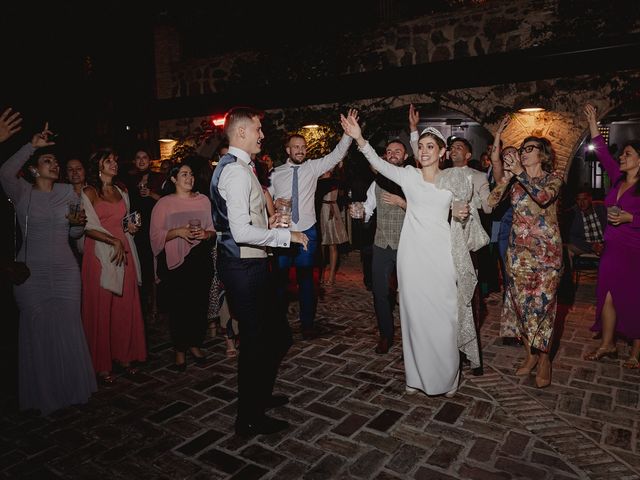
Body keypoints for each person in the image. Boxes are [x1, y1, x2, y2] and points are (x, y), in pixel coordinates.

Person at [341, 112, 482, 397]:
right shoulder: (408, 176)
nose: (425, 151)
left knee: (445, 316)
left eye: (431, 147)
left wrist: (461, 214)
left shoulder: (454, 180)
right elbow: (378, 163)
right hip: (412, 255)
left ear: (442, 152)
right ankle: (416, 377)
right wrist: (358, 138)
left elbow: (466, 217)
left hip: (442, 254)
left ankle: (448, 378)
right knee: (414, 316)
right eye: (421, 146)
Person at [210, 106, 309, 435]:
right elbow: (239, 233)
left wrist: (267, 223)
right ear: (240, 133)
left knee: (277, 335)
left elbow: (242, 223)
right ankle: (248, 418)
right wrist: (285, 236)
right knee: (256, 342)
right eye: (257, 129)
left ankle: (259, 398)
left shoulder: (239, 167)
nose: (262, 135)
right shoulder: (236, 172)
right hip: (243, 265)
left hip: (251, 261)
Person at [0, 123, 96, 414]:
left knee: (68, 329)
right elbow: (4, 171)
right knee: (38, 331)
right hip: (32, 274)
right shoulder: (21, 192)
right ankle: (45, 396)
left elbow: (75, 235)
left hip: (66, 271)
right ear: (33, 170)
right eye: (47, 161)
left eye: (55, 161)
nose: (54, 164)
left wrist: (79, 226)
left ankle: (72, 392)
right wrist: (32, 145)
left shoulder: (69, 192)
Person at [268, 114, 355, 339]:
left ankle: (307, 324)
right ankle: (277, 323)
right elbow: (265, 199)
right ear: (288, 150)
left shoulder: (313, 168)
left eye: (303, 147)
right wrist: (274, 203)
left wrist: (347, 134)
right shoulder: (275, 174)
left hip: (307, 230)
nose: (300, 150)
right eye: (295, 147)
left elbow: (336, 155)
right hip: (284, 232)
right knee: (280, 280)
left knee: (307, 280)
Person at [488, 134, 563, 389]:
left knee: (543, 307)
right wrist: (509, 176)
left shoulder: (554, 178)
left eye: (529, 148)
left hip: (546, 255)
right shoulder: (516, 181)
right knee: (521, 307)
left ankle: (544, 360)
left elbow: (543, 198)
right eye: (522, 149)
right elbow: (490, 203)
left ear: (542, 154)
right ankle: (530, 355)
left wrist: (520, 173)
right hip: (517, 255)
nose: (523, 152)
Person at [81, 148, 146, 385]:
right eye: (108, 161)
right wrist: (114, 240)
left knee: (124, 305)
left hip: (124, 250)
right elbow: (87, 226)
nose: (113, 164)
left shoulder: (120, 190)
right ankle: (101, 363)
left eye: (115, 160)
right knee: (101, 307)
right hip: (100, 252)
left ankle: (124, 356)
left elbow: (125, 221)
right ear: (97, 166)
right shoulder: (89, 192)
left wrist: (131, 228)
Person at [582, 104, 640, 367]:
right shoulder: (617, 180)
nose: (622, 157)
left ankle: (636, 353)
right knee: (606, 295)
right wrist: (594, 121)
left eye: (628, 154)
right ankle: (608, 344)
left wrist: (631, 218)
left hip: (635, 249)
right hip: (612, 247)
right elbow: (602, 152)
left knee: (634, 297)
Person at [150, 162, 215, 371]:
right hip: (177, 262)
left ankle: (195, 344)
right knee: (179, 308)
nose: (190, 178)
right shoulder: (164, 204)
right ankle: (179, 350)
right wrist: (178, 232)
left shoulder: (204, 200)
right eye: (184, 174)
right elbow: (155, 236)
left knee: (199, 305)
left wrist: (206, 234)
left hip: (200, 257)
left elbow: (213, 230)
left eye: (191, 174)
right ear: (173, 179)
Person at [356, 139, 408, 354]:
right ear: (385, 156)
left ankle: (413, 335)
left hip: (408, 245)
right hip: (381, 244)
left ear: (405, 157)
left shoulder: (412, 179)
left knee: (409, 293)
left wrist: (402, 202)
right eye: (389, 151)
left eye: (398, 151)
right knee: (379, 292)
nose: (393, 154)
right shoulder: (376, 182)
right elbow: (368, 208)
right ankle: (386, 335)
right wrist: (360, 211)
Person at [489, 115, 520, 346]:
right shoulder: (503, 179)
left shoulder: (526, 177)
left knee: (521, 281)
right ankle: (512, 329)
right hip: (505, 232)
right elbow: (494, 158)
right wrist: (498, 134)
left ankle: (523, 327)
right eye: (505, 154)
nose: (507, 157)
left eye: (513, 154)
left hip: (526, 235)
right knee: (509, 279)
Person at [123, 148, 162, 321]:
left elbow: (168, 201)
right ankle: (141, 307)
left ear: (150, 160)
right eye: (138, 158)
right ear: (134, 161)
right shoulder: (128, 180)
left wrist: (151, 194)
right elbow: (125, 206)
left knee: (153, 270)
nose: (141, 161)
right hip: (136, 230)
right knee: (140, 268)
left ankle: (154, 307)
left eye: (144, 157)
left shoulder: (159, 178)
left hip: (154, 228)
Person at [318, 166, 349, 285]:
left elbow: (343, 181)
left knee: (333, 245)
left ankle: (331, 276)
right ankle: (320, 275)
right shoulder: (318, 181)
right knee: (321, 246)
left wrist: (341, 166)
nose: (327, 170)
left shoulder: (336, 181)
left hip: (332, 210)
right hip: (321, 211)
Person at [566, 184, 606, 267]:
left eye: (584, 199)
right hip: (586, 246)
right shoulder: (574, 213)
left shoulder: (600, 209)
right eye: (578, 200)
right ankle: (569, 278)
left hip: (604, 244)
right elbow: (572, 237)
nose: (582, 203)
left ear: (590, 198)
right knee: (566, 249)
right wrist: (591, 246)